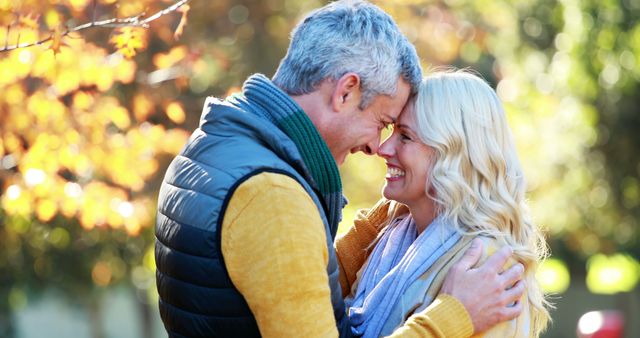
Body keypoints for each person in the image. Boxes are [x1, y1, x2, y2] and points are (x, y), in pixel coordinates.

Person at [155, 1, 525, 337]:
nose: (375, 146)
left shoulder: (218, 145)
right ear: (346, 91)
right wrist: (454, 316)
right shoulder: (271, 195)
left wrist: (399, 208)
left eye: (402, 135)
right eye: (382, 121)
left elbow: (290, 287)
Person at [337, 70, 551, 338]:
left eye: (405, 136)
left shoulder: (486, 265)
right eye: (392, 131)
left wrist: (453, 314)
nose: (383, 148)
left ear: (453, 154)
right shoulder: (391, 239)